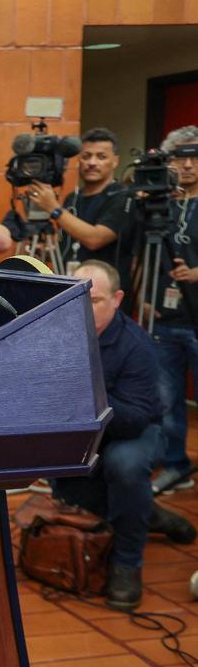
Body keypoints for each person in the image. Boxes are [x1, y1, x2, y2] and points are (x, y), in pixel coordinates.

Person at [55, 261, 193, 610]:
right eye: (75, 297)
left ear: (117, 299)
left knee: (124, 465)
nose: (82, 307)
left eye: (94, 299)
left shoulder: (136, 345)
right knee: (64, 476)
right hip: (84, 429)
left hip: (135, 432)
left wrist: (86, 396)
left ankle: (127, 564)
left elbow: (135, 418)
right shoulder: (59, 333)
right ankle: (148, 512)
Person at [149, 125, 198, 495]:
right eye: (179, 157)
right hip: (166, 319)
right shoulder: (159, 203)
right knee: (167, 401)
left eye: (194, 157)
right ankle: (176, 465)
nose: (187, 165)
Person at [28, 127, 133, 292]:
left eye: (101, 157)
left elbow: (95, 239)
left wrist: (54, 208)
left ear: (115, 161)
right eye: (86, 156)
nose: (92, 163)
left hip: (103, 292)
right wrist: (48, 253)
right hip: (69, 287)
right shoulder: (73, 198)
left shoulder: (123, 197)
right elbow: (69, 243)